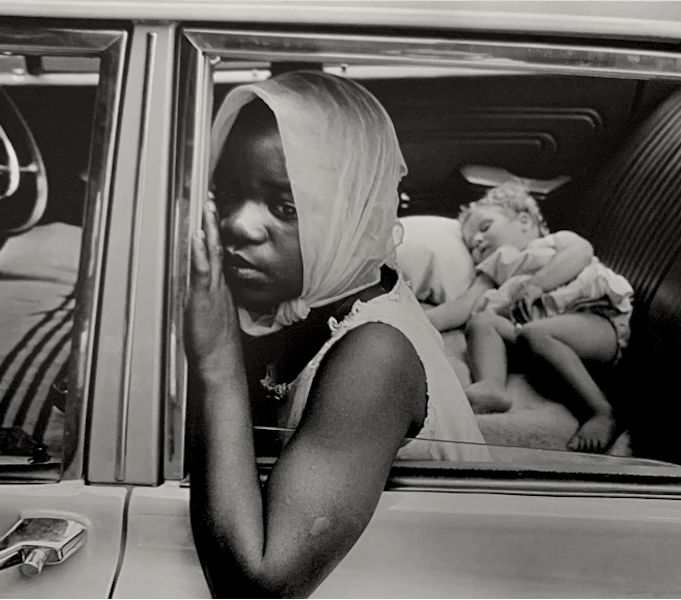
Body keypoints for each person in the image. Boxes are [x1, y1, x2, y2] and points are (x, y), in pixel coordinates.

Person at [184, 71, 492, 599]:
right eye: (228, 193)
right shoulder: (306, 296)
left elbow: (259, 585)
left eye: (286, 208)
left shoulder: (377, 354)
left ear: (352, 216)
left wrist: (216, 361)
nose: (239, 224)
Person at [425, 181, 633, 454]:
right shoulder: (494, 268)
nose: (477, 241)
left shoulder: (555, 243)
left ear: (524, 220)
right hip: (530, 338)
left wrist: (538, 285)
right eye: (471, 242)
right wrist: (423, 321)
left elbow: (580, 253)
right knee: (483, 322)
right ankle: (492, 386)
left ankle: (601, 411)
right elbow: (465, 304)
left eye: (485, 227)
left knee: (536, 333)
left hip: (592, 321)